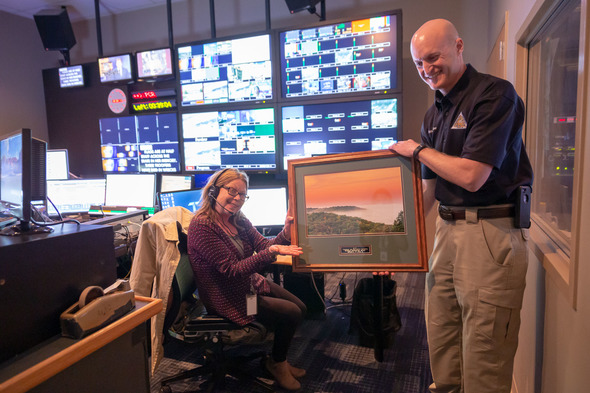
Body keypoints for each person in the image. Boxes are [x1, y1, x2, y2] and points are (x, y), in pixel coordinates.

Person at [389, 19, 533, 393]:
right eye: (419, 63)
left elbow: (472, 176)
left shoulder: (494, 95)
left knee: (485, 353)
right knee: (442, 342)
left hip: (488, 232)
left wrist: (419, 151)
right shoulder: (434, 112)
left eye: (433, 57)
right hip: (446, 230)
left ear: (458, 46)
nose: (426, 69)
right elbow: (427, 191)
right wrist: (393, 248)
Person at [187, 168, 307, 391]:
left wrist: (286, 232)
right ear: (214, 190)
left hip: (248, 285)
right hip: (224, 295)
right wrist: (271, 252)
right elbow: (231, 270)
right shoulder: (202, 226)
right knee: (291, 313)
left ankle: (276, 358)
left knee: (300, 307)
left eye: (243, 194)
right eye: (232, 191)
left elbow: (263, 245)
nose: (238, 198)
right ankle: (277, 364)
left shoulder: (238, 220)